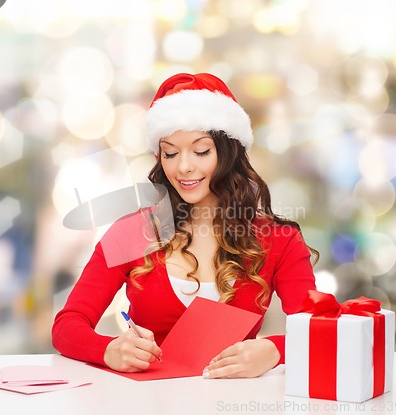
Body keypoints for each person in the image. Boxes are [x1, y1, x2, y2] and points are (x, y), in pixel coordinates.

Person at [52, 73, 318, 379]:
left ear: (228, 152)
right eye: (171, 153)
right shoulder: (132, 232)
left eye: (201, 151)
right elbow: (67, 326)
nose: (183, 167)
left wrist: (275, 350)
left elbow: (320, 330)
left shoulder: (278, 240)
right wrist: (108, 349)